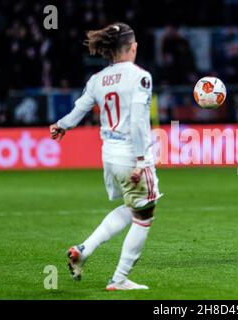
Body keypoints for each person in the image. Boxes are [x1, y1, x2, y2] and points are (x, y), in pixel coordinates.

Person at [49, 23, 161, 290]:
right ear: (132, 47)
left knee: (133, 206)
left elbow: (79, 108)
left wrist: (62, 125)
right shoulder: (140, 77)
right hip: (130, 155)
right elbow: (136, 122)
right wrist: (142, 160)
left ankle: (84, 250)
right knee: (145, 215)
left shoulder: (97, 79)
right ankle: (119, 279)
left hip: (108, 154)